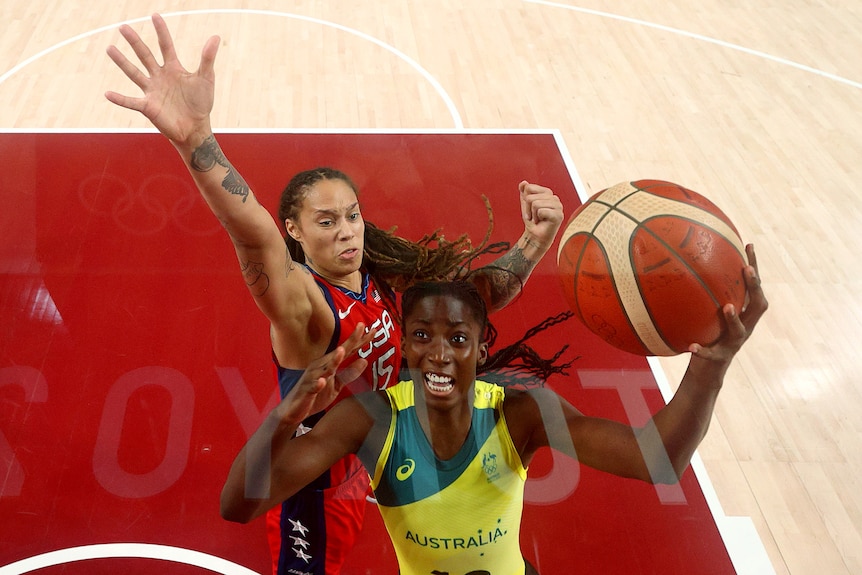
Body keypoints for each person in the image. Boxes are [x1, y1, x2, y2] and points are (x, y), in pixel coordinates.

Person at [104, 13, 564, 575]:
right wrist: (198, 141)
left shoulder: (380, 281)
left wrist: (533, 245)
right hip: (314, 485)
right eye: (326, 222)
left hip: (365, 461)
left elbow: (470, 301)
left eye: (352, 215)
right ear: (295, 231)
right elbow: (254, 237)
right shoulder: (306, 307)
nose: (347, 230)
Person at [220, 245, 767, 574]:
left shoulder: (519, 414)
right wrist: (284, 417)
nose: (439, 353)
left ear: (481, 350)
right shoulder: (372, 419)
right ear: (405, 347)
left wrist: (711, 364)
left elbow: (657, 459)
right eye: (422, 336)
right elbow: (238, 506)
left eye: (457, 339)